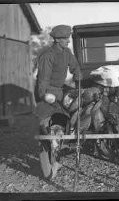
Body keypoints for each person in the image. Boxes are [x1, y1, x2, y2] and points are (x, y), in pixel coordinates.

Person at [34, 25, 81, 178]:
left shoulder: (67, 52)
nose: (68, 41)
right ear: (58, 40)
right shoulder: (47, 55)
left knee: (67, 115)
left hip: (60, 90)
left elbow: (75, 66)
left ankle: (62, 141)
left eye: (68, 38)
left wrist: (78, 76)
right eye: (66, 39)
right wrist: (44, 96)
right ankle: (48, 145)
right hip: (47, 91)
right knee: (43, 118)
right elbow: (43, 80)